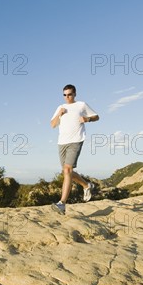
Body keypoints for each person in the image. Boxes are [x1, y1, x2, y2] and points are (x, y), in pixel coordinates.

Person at [50, 84, 99, 215]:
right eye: (65, 95)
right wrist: (59, 114)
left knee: (67, 170)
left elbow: (97, 117)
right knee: (66, 172)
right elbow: (52, 125)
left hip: (76, 140)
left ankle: (62, 204)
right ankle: (87, 185)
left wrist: (87, 119)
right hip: (62, 142)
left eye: (70, 94)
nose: (67, 97)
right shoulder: (61, 107)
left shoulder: (82, 105)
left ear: (75, 94)